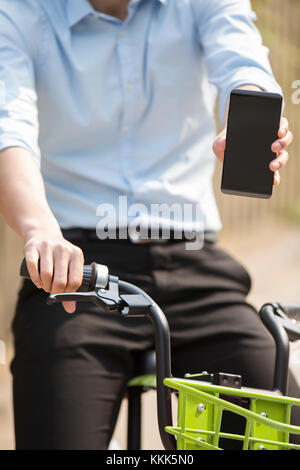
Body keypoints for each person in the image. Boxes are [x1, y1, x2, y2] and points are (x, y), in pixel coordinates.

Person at [0, 0, 297, 450]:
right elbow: (9, 127)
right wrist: (41, 230)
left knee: (278, 423)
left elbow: (241, 56)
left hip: (194, 260)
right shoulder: (20, 10)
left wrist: (250, 116)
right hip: (76, 273)